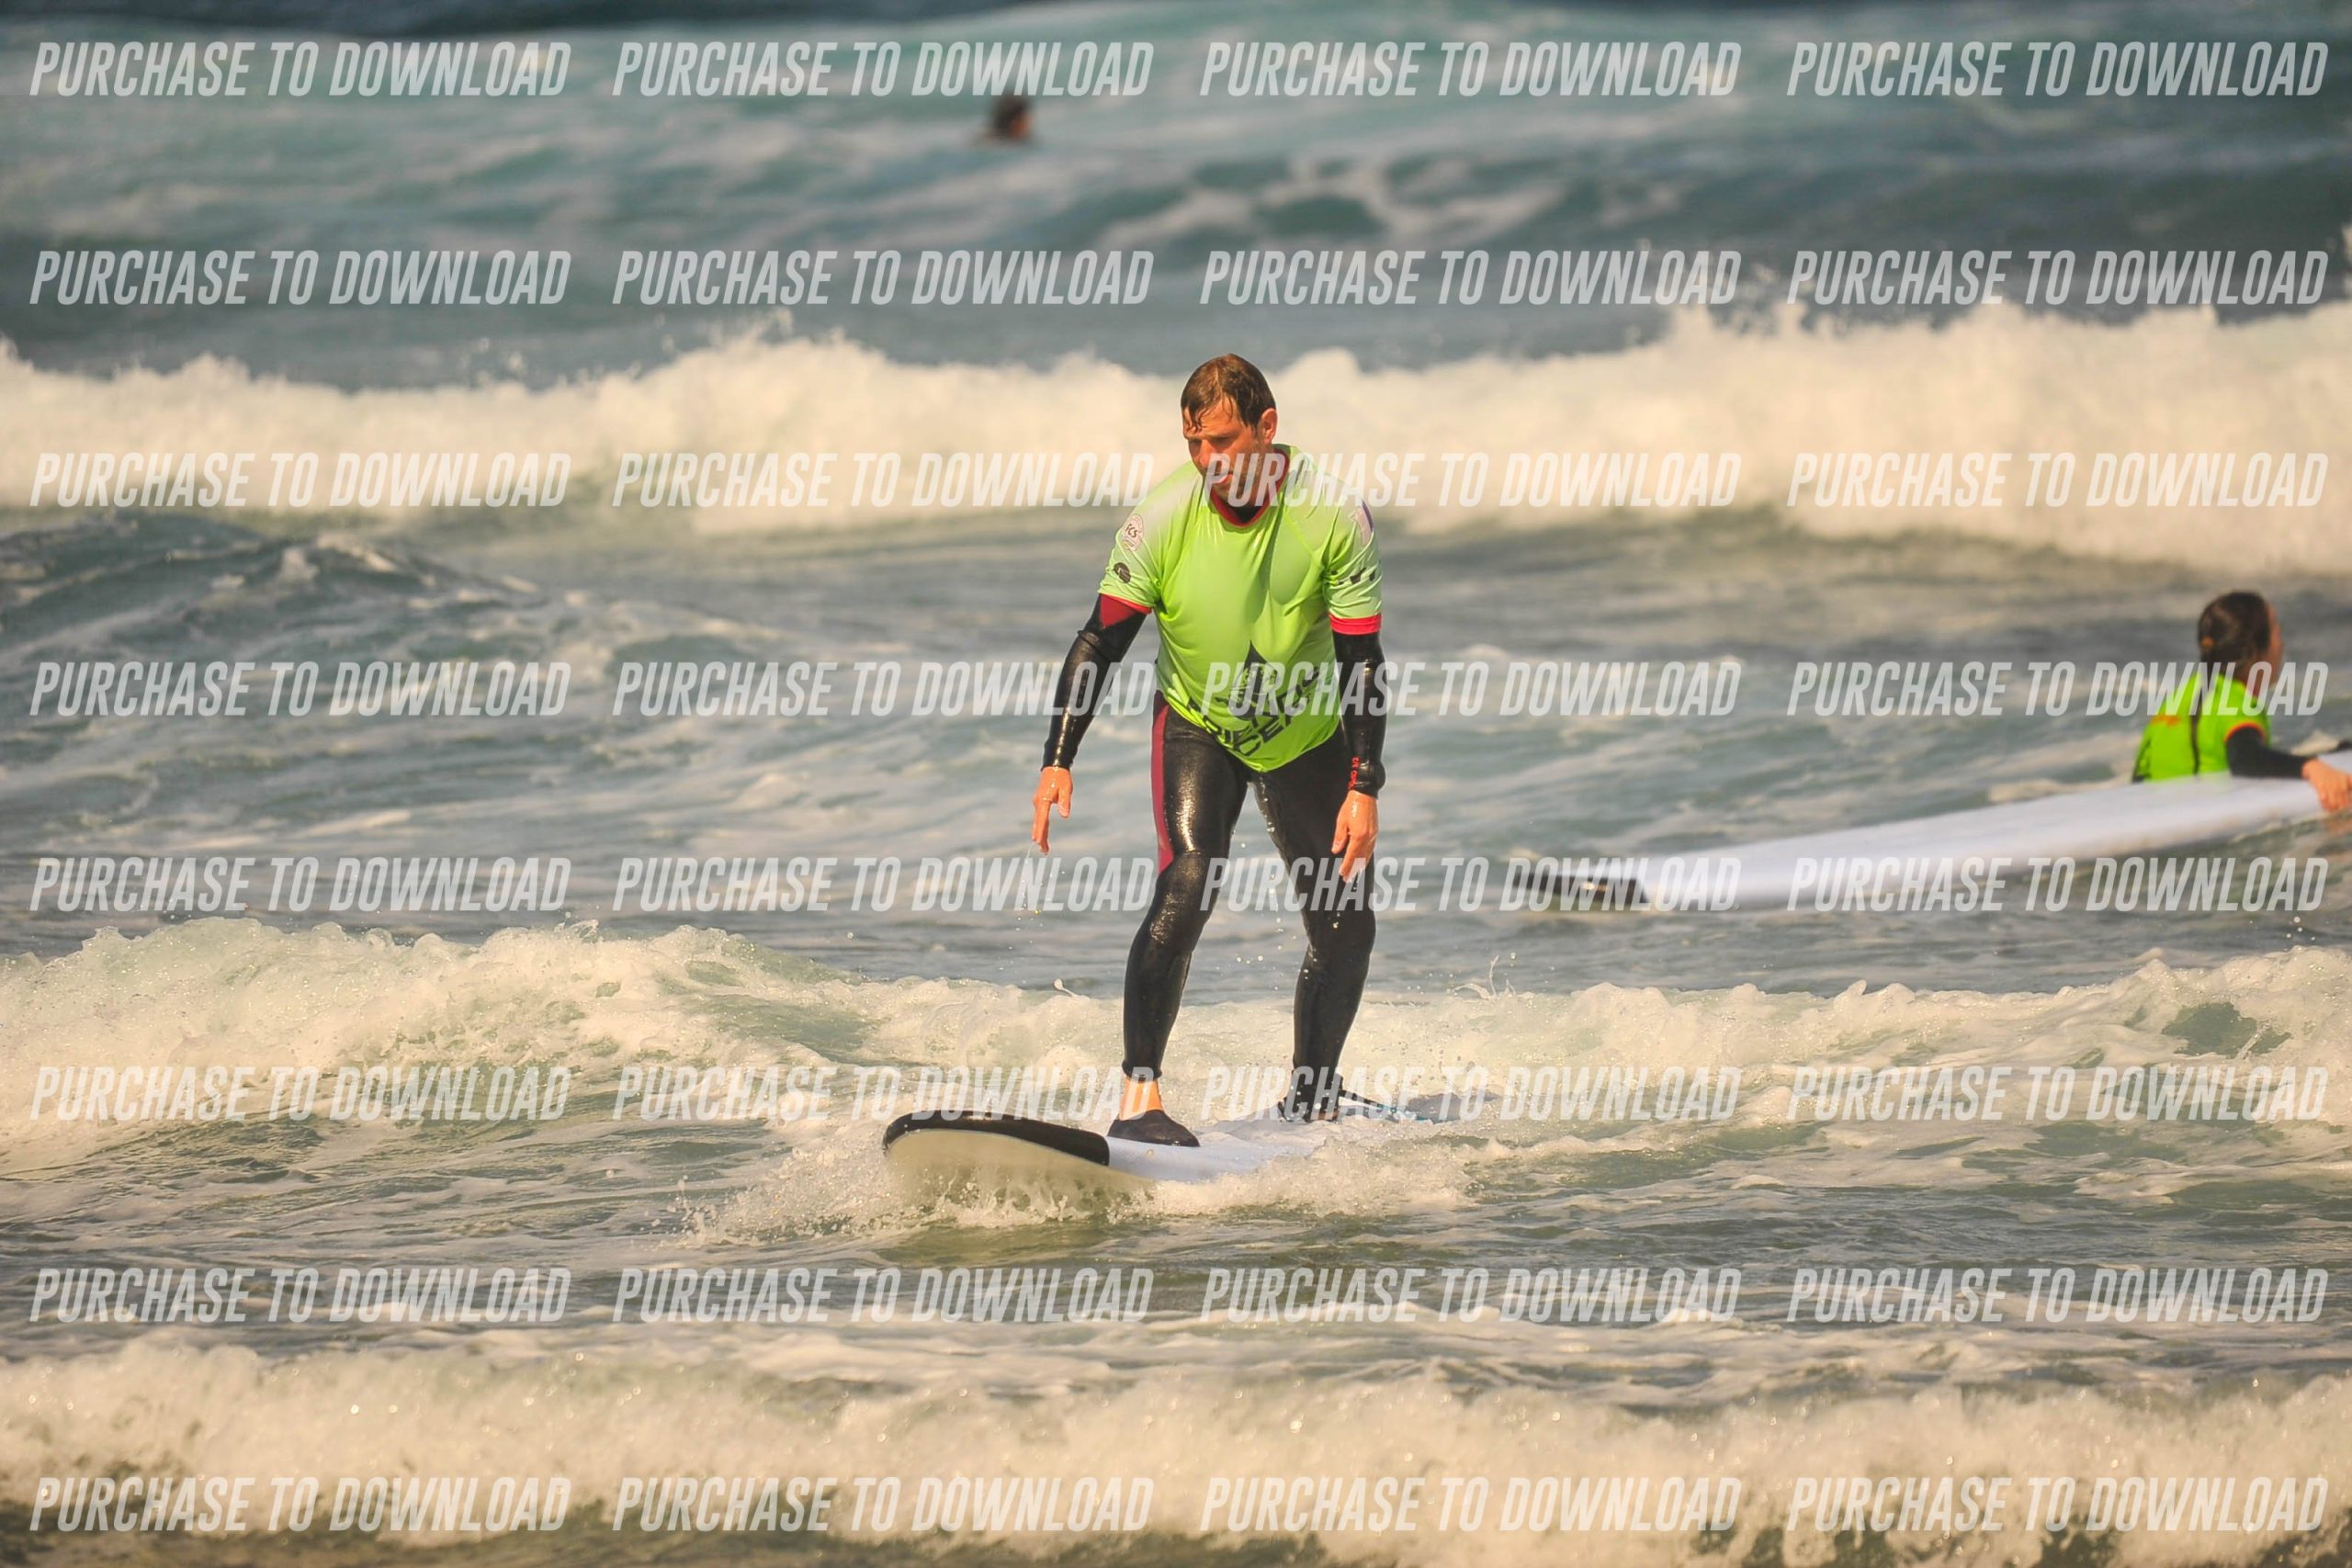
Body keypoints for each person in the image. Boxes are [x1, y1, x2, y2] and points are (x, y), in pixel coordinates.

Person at [1031, 355, 1388, 1145]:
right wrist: (1059, 756)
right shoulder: (1163, 518)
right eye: (1194, 443)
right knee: (1188, 880)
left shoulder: (1332, 514)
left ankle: (1312, 1099)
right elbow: (1099, 641)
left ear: (1267, 427)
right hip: (1198, 722)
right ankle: (1140, 1099)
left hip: (1304, 733)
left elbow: (1361, 662)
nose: (1206, 460)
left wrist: (1365, 781)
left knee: (1346, 924)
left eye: (1222, 441)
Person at [2132, 590, 2351, 809]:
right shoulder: (2235, 704)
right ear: (2254, 651)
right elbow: (2245, 758)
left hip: (2155, 813)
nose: (2282, 645)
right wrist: (2311, 767)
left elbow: (2142, 774)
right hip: (2206, 821)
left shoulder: (2178, 698)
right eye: (2277, 632)